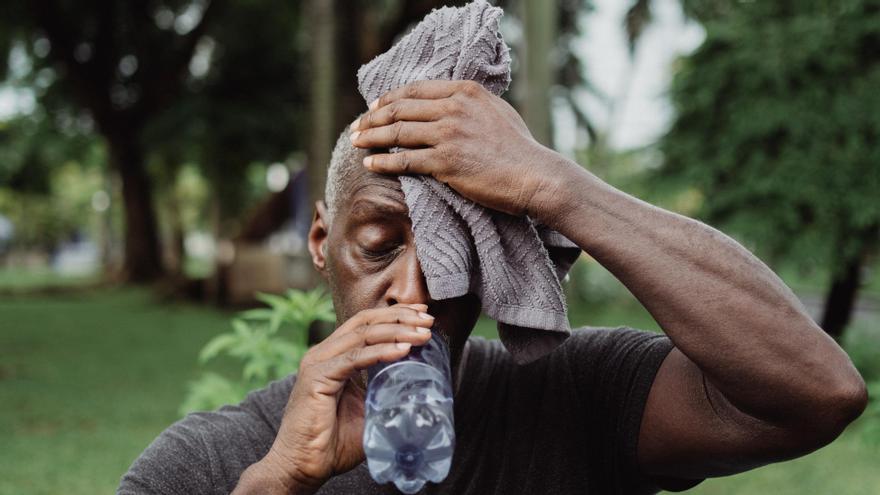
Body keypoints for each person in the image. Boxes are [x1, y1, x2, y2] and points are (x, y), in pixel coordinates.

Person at [118, 81, 868, 495]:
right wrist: (279, 482)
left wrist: (559, 185)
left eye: (452, 252)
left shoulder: (577, 398)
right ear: (322, 242)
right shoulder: (207, 465)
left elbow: (818, 392)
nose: (411, 290)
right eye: (378, 246)